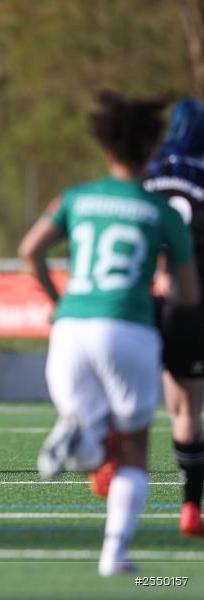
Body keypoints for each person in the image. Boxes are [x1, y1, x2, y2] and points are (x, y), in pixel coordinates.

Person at [18, 90, 200, 576]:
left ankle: (85, 434)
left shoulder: (75, 197)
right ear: (151, 148)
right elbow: (188, 293)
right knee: (136, 446)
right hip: (130, 329)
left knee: (94, 425)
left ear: (106, 146)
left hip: (72, 327)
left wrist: (58, 303)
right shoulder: (160, 212)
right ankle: (113, 552)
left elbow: (29, 250)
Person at [144, 97, 204, 537]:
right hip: (191, 301)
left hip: (144, 299)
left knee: (131, 396)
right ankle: (191, 509)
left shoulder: (147, 171)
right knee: (188, 409)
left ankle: (104, 454)